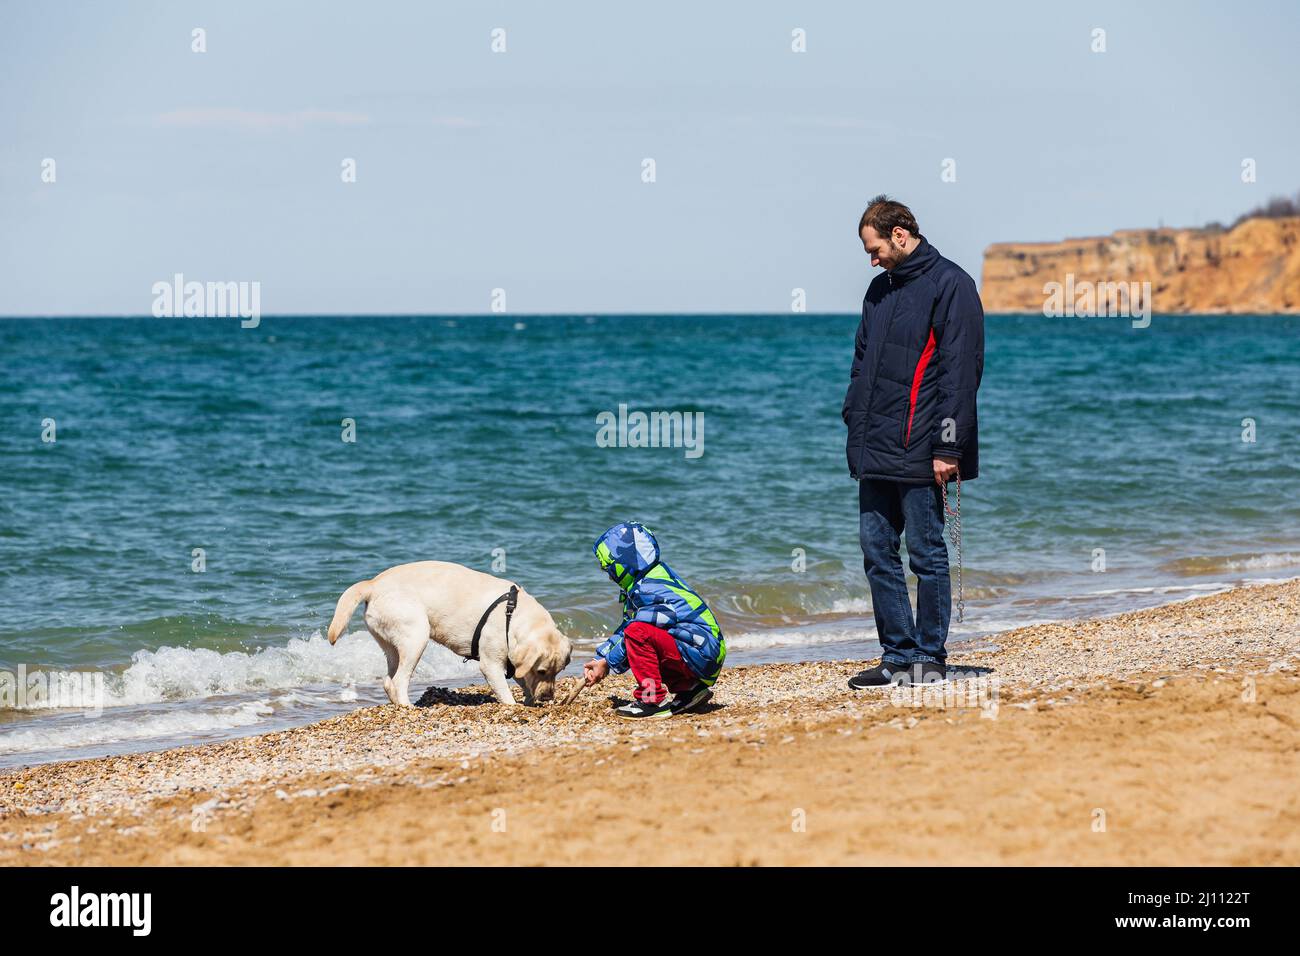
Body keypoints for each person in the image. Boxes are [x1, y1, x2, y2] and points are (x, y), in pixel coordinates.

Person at [841, 195, 984, 688]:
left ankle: (929, 657)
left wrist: (950, 448)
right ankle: (896, 657)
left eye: (875, 248)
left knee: (925, 554)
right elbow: (862, 363)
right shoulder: (878, 292)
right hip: (873, 447)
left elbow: (960, 375)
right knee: (876, 552)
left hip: (924, 448)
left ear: (900, 234)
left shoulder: (953, 285)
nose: (872, 258)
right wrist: (851, 416)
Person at [581, 521, 725, 718]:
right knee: (638, 632)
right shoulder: (646, 582)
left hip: (701, 652)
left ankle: (652, 701)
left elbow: (634, 634)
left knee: (638, 633)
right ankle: (689, 689)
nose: (609, 576)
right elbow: (626, 628)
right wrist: (601, 658)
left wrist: (608, 663)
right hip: (699, 652)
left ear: (626, 562)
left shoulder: (650, 588)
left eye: (610, 569)